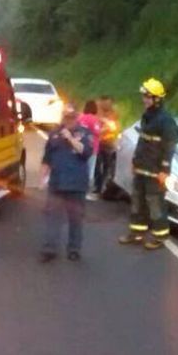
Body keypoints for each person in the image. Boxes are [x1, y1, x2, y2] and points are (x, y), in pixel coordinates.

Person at [118, 78, 178, 250]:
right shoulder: (147, 116)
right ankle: (137, 232)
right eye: (144, 96)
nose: (144, 99)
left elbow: (169, 147)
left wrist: (164, 170)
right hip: (142, 168)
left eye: (147, 96)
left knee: (155, 204)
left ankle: (160, 236)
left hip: (155, 171)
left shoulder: (166, 120)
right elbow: (143, 142)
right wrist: (135, 161)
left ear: (157, 99)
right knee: (137, 202)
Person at [40, 105, 94, 262]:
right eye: (66, 117)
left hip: (76, 184)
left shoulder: (84, 133)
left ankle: (74, 249)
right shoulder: (54, 134)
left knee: (75, 218)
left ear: (76, 117)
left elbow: (86, 152)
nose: (68, 120)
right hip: (57, 183)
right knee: (52, 217)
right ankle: (50, 248)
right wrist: (42, 178)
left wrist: (70, 138)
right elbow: (47, 158)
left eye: (71, 117)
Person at [94, 95, 120, 195]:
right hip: (99, 142)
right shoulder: (98, 112)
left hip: (109, 143)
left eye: (108, 103)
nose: (105, 105)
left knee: (107, 166)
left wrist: (105, 125)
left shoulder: (113, 114)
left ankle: (103, 187)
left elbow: (113, 127)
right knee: (97, 166)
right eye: (104, 103)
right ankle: (98, 186)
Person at [77, 100, 103, 201]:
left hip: (80, 146)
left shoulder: (80, 117)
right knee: (89, 170)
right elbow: (97, 132)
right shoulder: (94, 119)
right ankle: (85, 192)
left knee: (79, 168)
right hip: (92, 148)